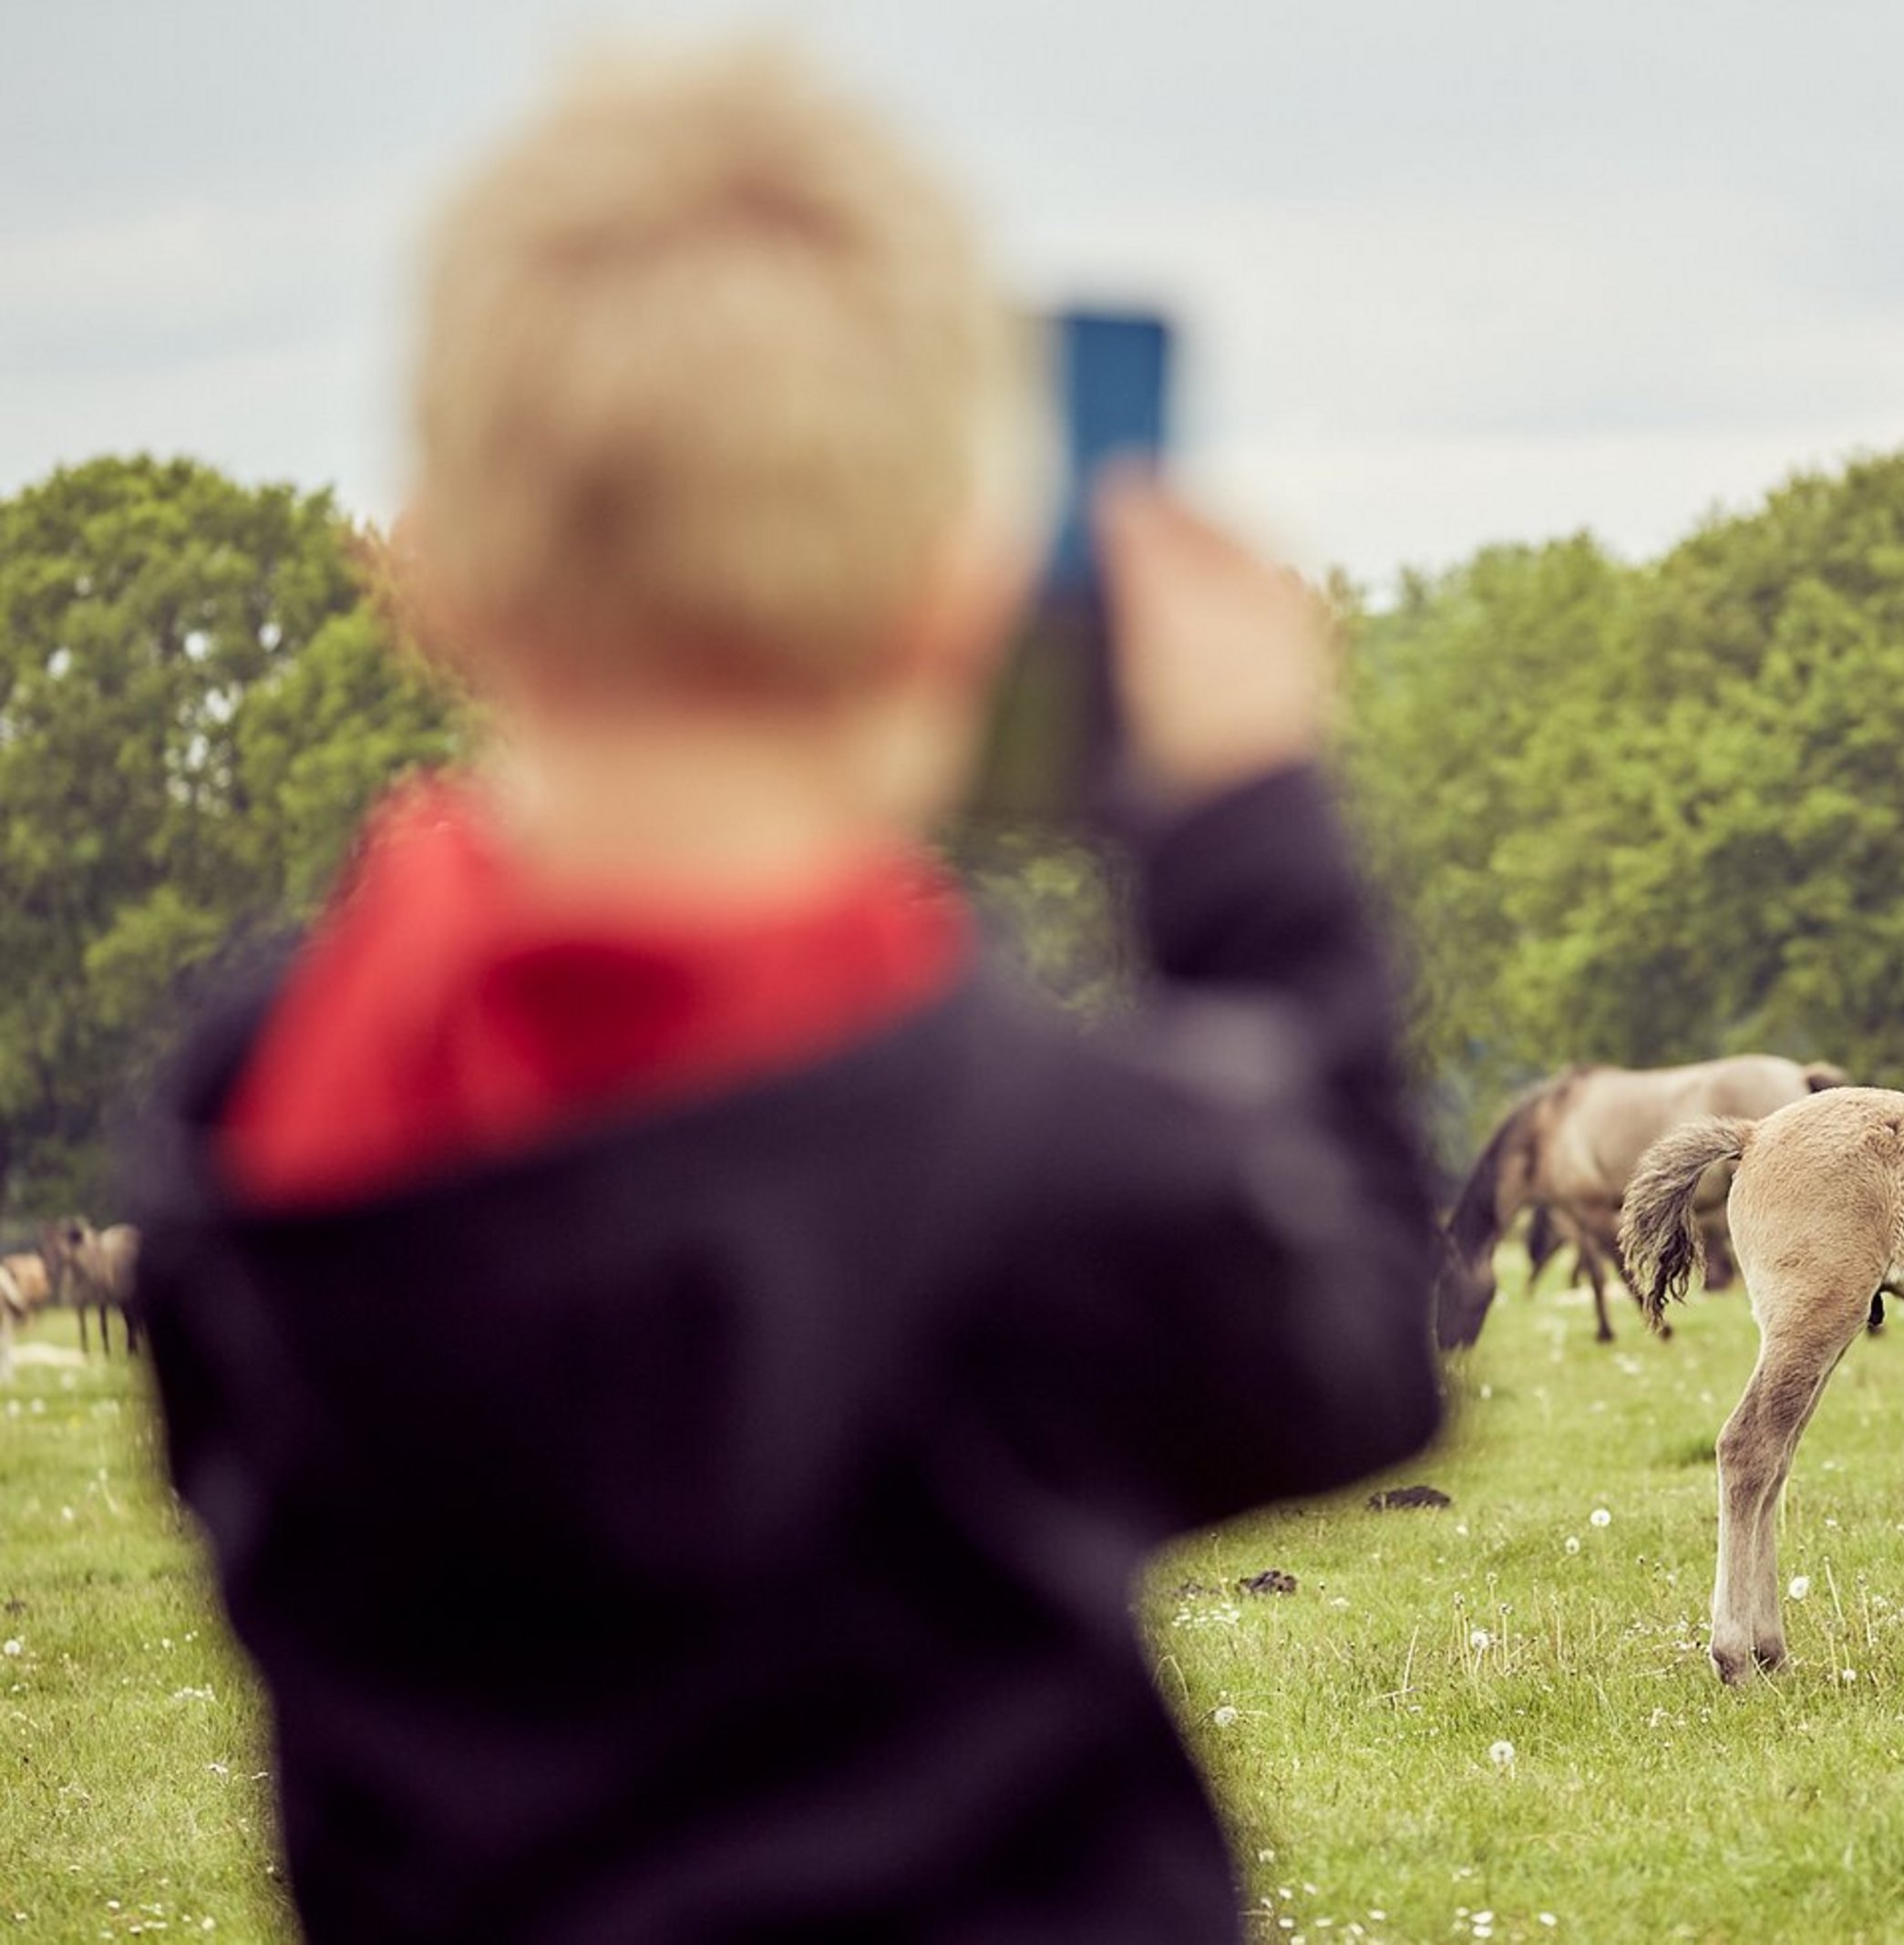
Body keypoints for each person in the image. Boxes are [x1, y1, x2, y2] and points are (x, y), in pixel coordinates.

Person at [128, 41, 1444, 1942]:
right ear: (947, 594)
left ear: (432, 572)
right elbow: (1358, 1340)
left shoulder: (255, 1114)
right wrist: (1248, 823)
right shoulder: (1023, 1146)